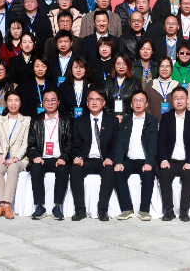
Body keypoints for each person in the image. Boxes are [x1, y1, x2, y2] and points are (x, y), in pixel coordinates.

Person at [69, 88, 120, 221]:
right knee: (75, 170)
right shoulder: (79, 121)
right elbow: (75, 144)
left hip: (104, 159)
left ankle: (102, 210)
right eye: (91, 99)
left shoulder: (112, 121)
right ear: (87, 103)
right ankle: (80, 209)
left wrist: (111, 158)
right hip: (86, 160)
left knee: (109, 171)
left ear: (103, 103)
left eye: (98, 99)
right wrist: (78, 156)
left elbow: (116, 144)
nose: (94, 102)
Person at [156, 86, 190, 222]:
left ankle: (184, 211)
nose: (179, 101)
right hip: (171, 160)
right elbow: (161, 141)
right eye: (176, 98)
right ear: (172, 100)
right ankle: (168, 210)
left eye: (182, 98)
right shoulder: (166, 117)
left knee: (188, 175)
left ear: (187, 99)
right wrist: (164, 159)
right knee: (164, 173)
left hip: (187, 161)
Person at [25, 90, 72, 220]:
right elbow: (31, 144)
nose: (50, 103)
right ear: (42, 102)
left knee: (62, 170)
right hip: (42, 158)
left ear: (58, 102)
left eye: (53, 100)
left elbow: (70, 143)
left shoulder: (67, 120)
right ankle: (40, 206)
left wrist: (64, 157)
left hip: (59, 158)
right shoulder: (36, 120)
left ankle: (57, 206)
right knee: (35, 168)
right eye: (46, 100)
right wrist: (35, 156)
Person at [113, 90, 158, 221]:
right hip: (130, 160)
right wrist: (118, 161)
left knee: (149, 175)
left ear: (146, 104)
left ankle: (144, 210)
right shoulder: (126, 121)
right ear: (131, 104)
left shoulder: (152, 121)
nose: (138, 103)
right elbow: (120, 142)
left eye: (141, 100)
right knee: (118, 173)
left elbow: (153, 144)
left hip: (145, 160)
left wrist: (149, 162)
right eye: (135, 101)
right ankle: (127, 209)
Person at [0, 90, 30, 219]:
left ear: (21, 103)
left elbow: (25, 144)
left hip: (19, 159)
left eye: (16, 100)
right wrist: (0, 155)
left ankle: (7, 205)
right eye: (10, 100)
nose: (13, 103)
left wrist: (15, 158)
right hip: (2, 158)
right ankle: (1, 204)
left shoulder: (26, 120)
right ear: (6, 103)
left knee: (12, 168)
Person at [104, 55, 142, 121]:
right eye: (118, 64)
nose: (121, 66)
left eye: (124, 64)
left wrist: (124, 116)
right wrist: (113, 117)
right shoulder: (107, 81)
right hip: (110, 119)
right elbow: (103, 102)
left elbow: (137, 103)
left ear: (128, 65)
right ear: (114, 65)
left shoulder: (135, 83)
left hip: (130, 119)